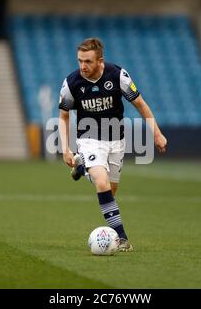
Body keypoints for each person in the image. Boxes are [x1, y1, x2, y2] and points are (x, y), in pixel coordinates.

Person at [58, 38, 167, 252]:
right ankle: (123, 238)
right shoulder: (71, 83)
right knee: (102, 183)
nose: (83, 66)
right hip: (88, 139)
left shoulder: (118, 76)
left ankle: (82, 168)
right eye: (80, 61)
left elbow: (140, 105)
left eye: (88, 61)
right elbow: (63, 117)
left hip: (116, 141)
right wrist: (65, 147)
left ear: (100, 61)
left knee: (111, 189)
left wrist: (157, 133)